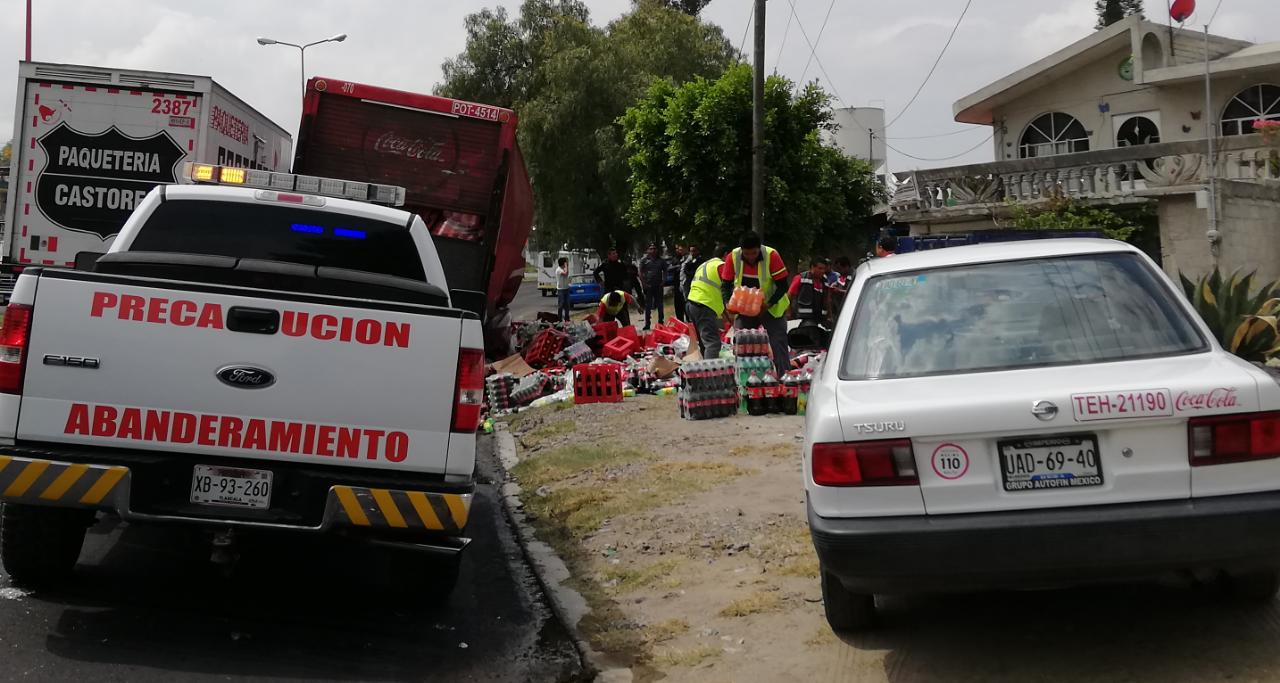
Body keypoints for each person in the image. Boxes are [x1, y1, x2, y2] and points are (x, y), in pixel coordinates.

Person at [720, 233, 791, 376]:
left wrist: (768, 304)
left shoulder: (771, 255)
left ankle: (784, 378)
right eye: (747, 253)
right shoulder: (733, 257)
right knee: (742, 344)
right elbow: (726, 284)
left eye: (754, 253)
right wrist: (728, 303)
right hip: (744, 309)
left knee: (778, 343)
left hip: (770, 308)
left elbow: (783, 285)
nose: (751, 256)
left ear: (759, 248)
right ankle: (745, 379)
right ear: (741, 250)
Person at [685, 244, 727, 359]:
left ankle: (704, 370)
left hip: (692, 304)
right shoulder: (722, 266)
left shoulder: (705, 264)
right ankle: (710, 375)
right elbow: (728, 289)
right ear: (726, 255)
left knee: (705, 343)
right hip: (704, 305)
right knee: (713, 344)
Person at [790, 257, 831, 325]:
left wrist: (830, 316)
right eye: (820, 268)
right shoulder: (801, 278)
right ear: (812, 267)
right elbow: (789, 295)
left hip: (820, 319)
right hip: (802, 318)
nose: (822, 271)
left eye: (824, 269)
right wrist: (788, 312)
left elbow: (828, 300)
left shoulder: (825, 282)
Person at [638, 243, 668, 330]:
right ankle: (647, 324)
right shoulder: (644, 260)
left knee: (660, 305)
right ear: (647, 250)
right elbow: (640, 272)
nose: (653, 250)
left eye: (654, 248)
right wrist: (643, 283)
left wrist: (664, 281)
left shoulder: (661, 260)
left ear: (657, 250)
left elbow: (665, 271)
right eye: (651, 248)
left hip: (658, 285)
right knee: (648, 306)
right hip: (648, 286)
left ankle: (661, 322)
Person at [670, 244, 688, 323]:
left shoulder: (687, 258)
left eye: (680, 249)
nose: (678, 250)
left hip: (685, 284)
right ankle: (680, 321)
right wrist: (678, 267)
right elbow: (669, 268)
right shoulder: (675, 259)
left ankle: (689, 320)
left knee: (686, 303)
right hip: (677, 285)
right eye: (677, 249)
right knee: (678, 305)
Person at [555, 256, 572, 322]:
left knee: (567, 305)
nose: (566, 264)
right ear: (563, 263)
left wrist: (566, 267)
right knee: (561, 305)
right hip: (561, 289)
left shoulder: (563, 269)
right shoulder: (558, 270)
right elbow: (566, 274)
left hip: (566, 288)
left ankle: (567, 318)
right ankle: (559, 319)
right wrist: (566, 266)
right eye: (565, 262)